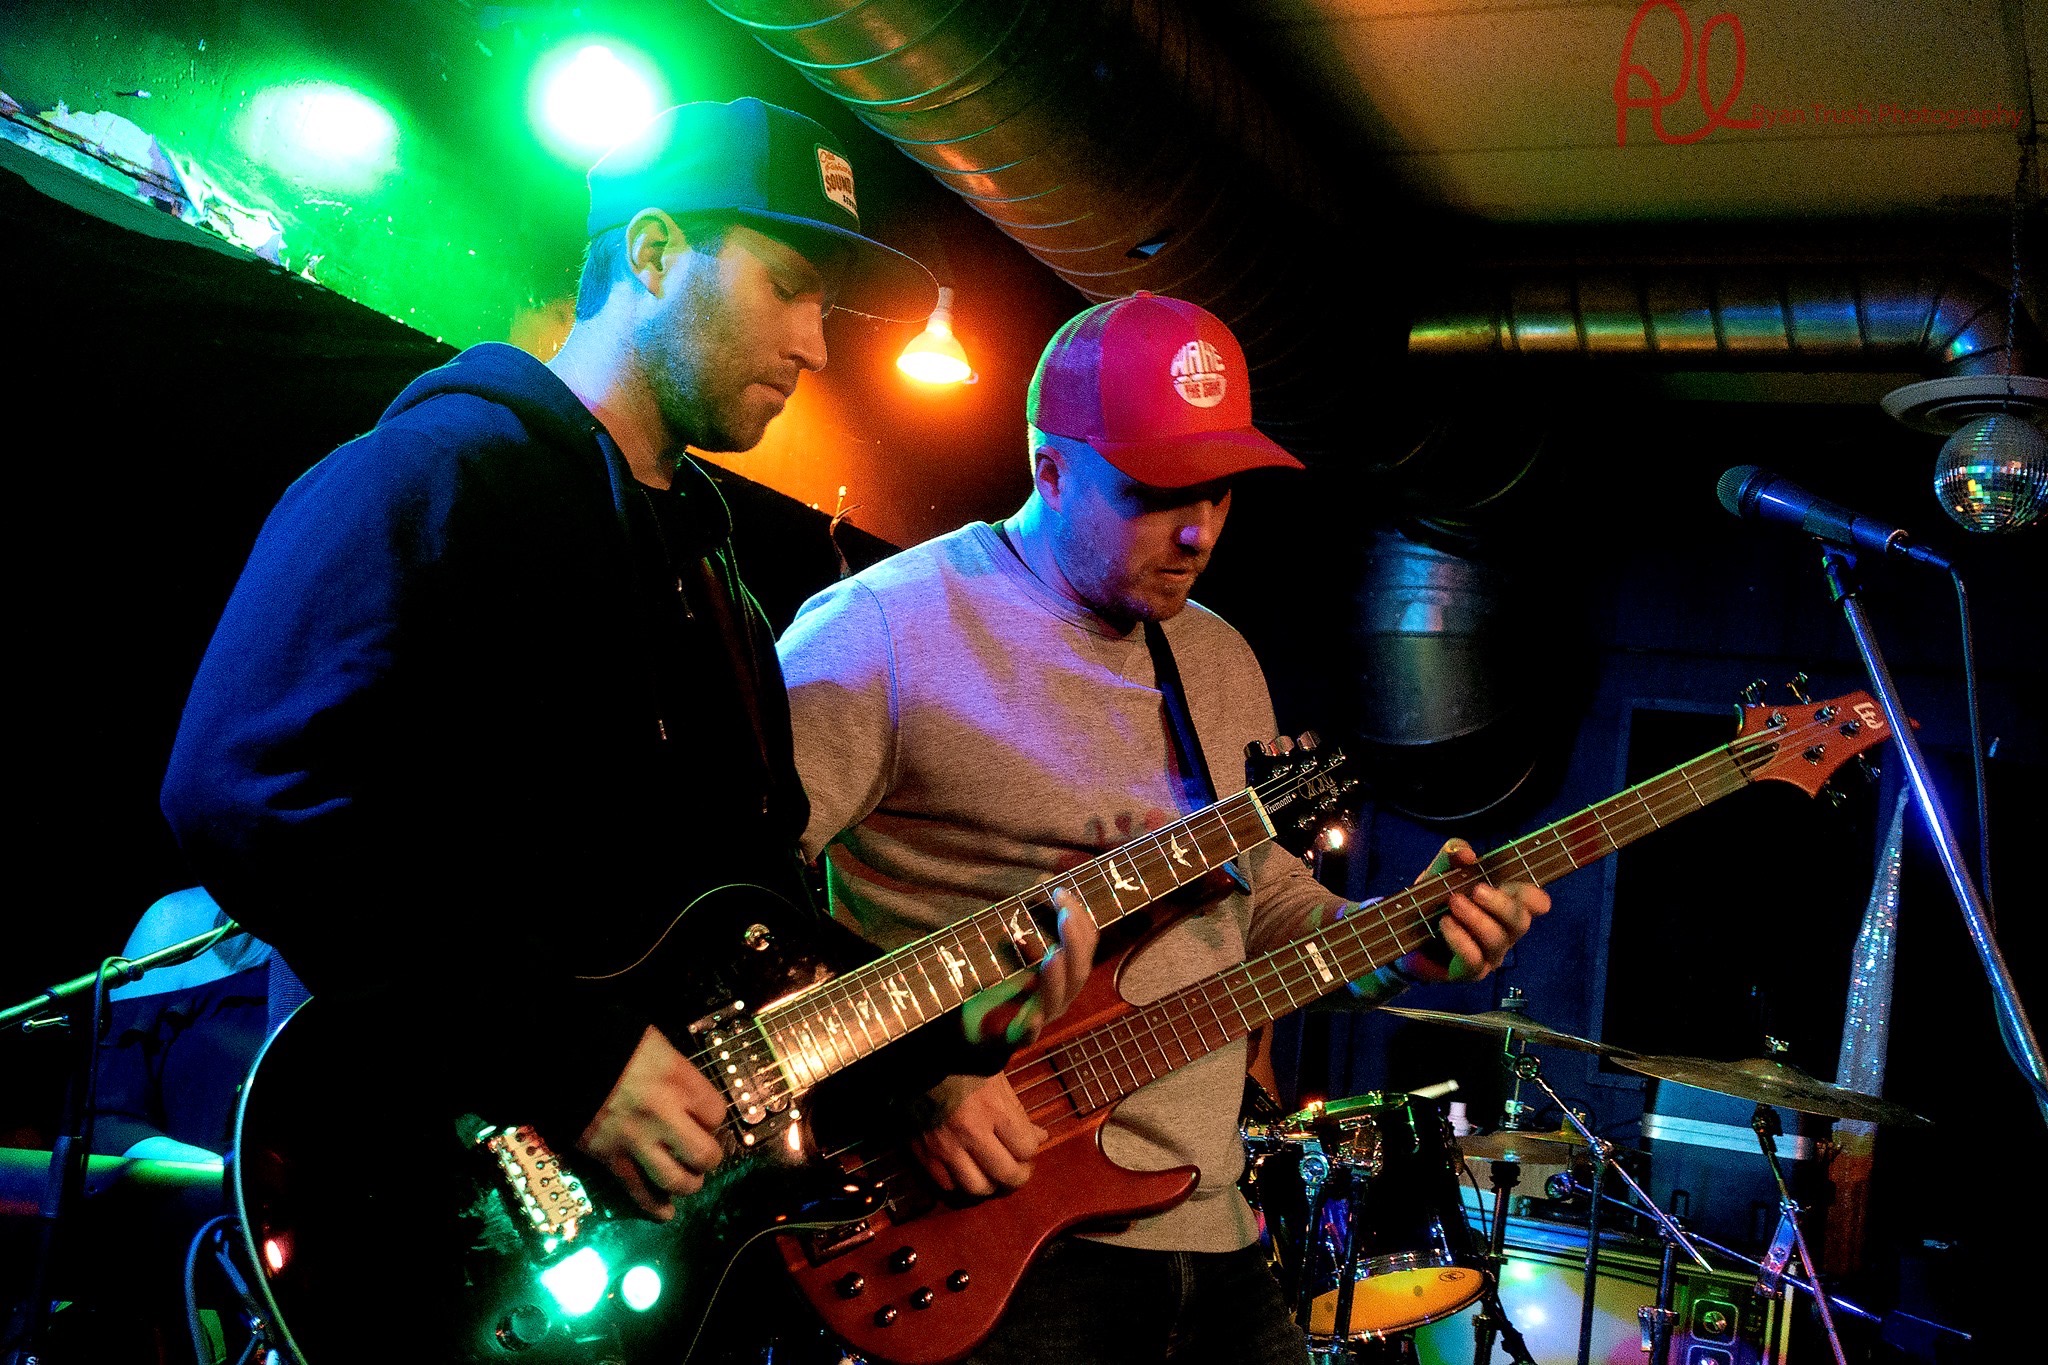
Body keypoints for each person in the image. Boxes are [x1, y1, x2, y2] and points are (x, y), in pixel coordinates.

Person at [158, 97, 1092, 1230]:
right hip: (413, 1189)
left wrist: (939, 1041)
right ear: (652, 253)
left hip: (640, 1251)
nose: (815, 345)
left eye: (822, 307)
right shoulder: (435, 477)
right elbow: (245, 794)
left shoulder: (720, 594)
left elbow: (744, 928)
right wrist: (571, 1056)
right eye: (786, 286)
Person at [778, 291, 1552, 1364]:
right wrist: (918, 1079)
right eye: (1153, 495)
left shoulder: (1217, 656)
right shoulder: (882, 632)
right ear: (1050, 469)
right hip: (989, 1232)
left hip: (1213, 1229)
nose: (1199, 533)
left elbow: (1256, 904)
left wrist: (1393, 939)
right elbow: (735, 900)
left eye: (1218, 492)